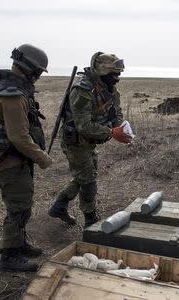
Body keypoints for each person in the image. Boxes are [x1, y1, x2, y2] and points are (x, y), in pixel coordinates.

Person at [0, 44, 53, 272]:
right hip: (10, 162)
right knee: (18, 208)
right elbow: (19, 137)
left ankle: (19, 243)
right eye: (39, 73)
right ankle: (10, 255)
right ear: (31, 70)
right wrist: (43, 158)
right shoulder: (12, 95)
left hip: (13, 160)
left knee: (22, 204)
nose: (38, 78)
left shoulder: (7, 87)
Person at [49, 52, 132, 228]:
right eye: (114, 74)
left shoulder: (110, 89)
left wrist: (122, 128)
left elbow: (116, 112)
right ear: (102, 72)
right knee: (88, 181)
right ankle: (90, 219)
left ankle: (59, 206)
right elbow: (83, 125)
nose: (117, 79)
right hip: (76, 142)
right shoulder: (83, 90)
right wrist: (111, 132)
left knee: (85, 175)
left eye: (118, 74)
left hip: (89, 141)